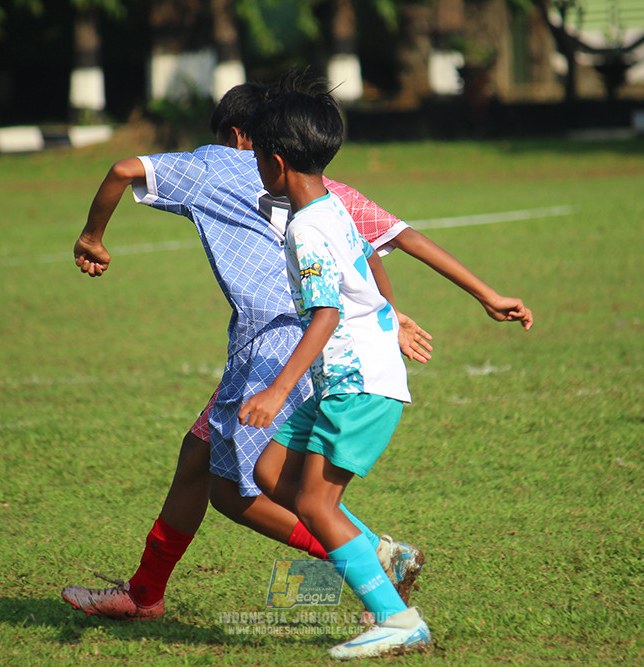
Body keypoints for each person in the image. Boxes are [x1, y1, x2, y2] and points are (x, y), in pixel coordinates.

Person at [61, 83, 432, 622]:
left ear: (239, 136)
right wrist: (387, 315)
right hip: (317, 336)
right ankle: (145, 593)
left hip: (277, 344)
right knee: (198, 459)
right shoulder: (318, 183)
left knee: (240, 492)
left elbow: (122, 170)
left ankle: (374, 557)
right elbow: (368, 246)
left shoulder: (216, 164)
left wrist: (91, 237)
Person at [238, 71, 430, 659]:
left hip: (357, 383)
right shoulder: (332, 205)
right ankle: (379, 557)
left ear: (274, 162)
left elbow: (323, 314)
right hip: (346, 379)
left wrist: (277, 391)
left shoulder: (305, 228)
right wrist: (390, 317)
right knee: (273, 475)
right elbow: (368, 265)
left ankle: (397, 620)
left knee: (317, 504)